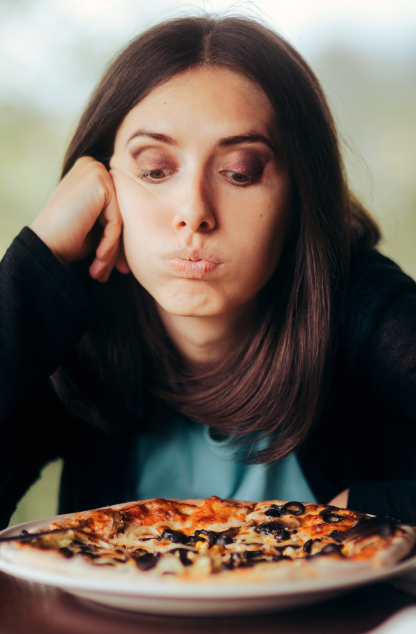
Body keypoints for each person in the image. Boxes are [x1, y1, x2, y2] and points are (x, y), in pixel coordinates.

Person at [1, 16, 415, 531]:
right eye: (155, 169)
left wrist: (377, 510)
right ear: (107, 188)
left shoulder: (366, 312)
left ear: (297, 201)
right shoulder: (79, 334)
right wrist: (38, 258)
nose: (193, 210)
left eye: (240, 172)